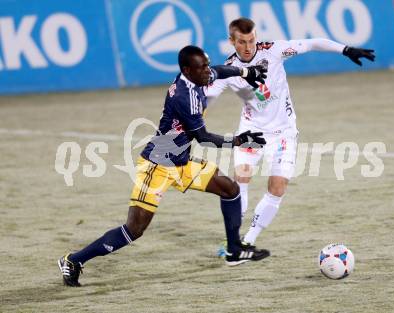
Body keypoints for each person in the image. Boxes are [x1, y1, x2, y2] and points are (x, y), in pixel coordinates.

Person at [58, 45, 270, 287]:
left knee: (229, 190)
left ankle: (234, 249)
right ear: (186, 70)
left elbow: (219, 71)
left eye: (206, 66)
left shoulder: (196, 75)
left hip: (180, 161)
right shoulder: (183, 96)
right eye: (201, 68)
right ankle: (74, 260)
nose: (206, 72)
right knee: (134, 229)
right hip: (157, 165)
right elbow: (203, 138)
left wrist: (246, 73)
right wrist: (240, 140)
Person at [207, 18, 375, 252]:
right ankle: (233, 241)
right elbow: (207, 99)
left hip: (284, 131)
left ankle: (250, 239)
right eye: (242, 42)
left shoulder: (274, 50)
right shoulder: (228, 71)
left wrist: (345, 49)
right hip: (251, 132)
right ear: (232, 41)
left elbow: (313, 43)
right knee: (240, 182)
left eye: (252, 40)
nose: (248, 46)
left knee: (277, 188)